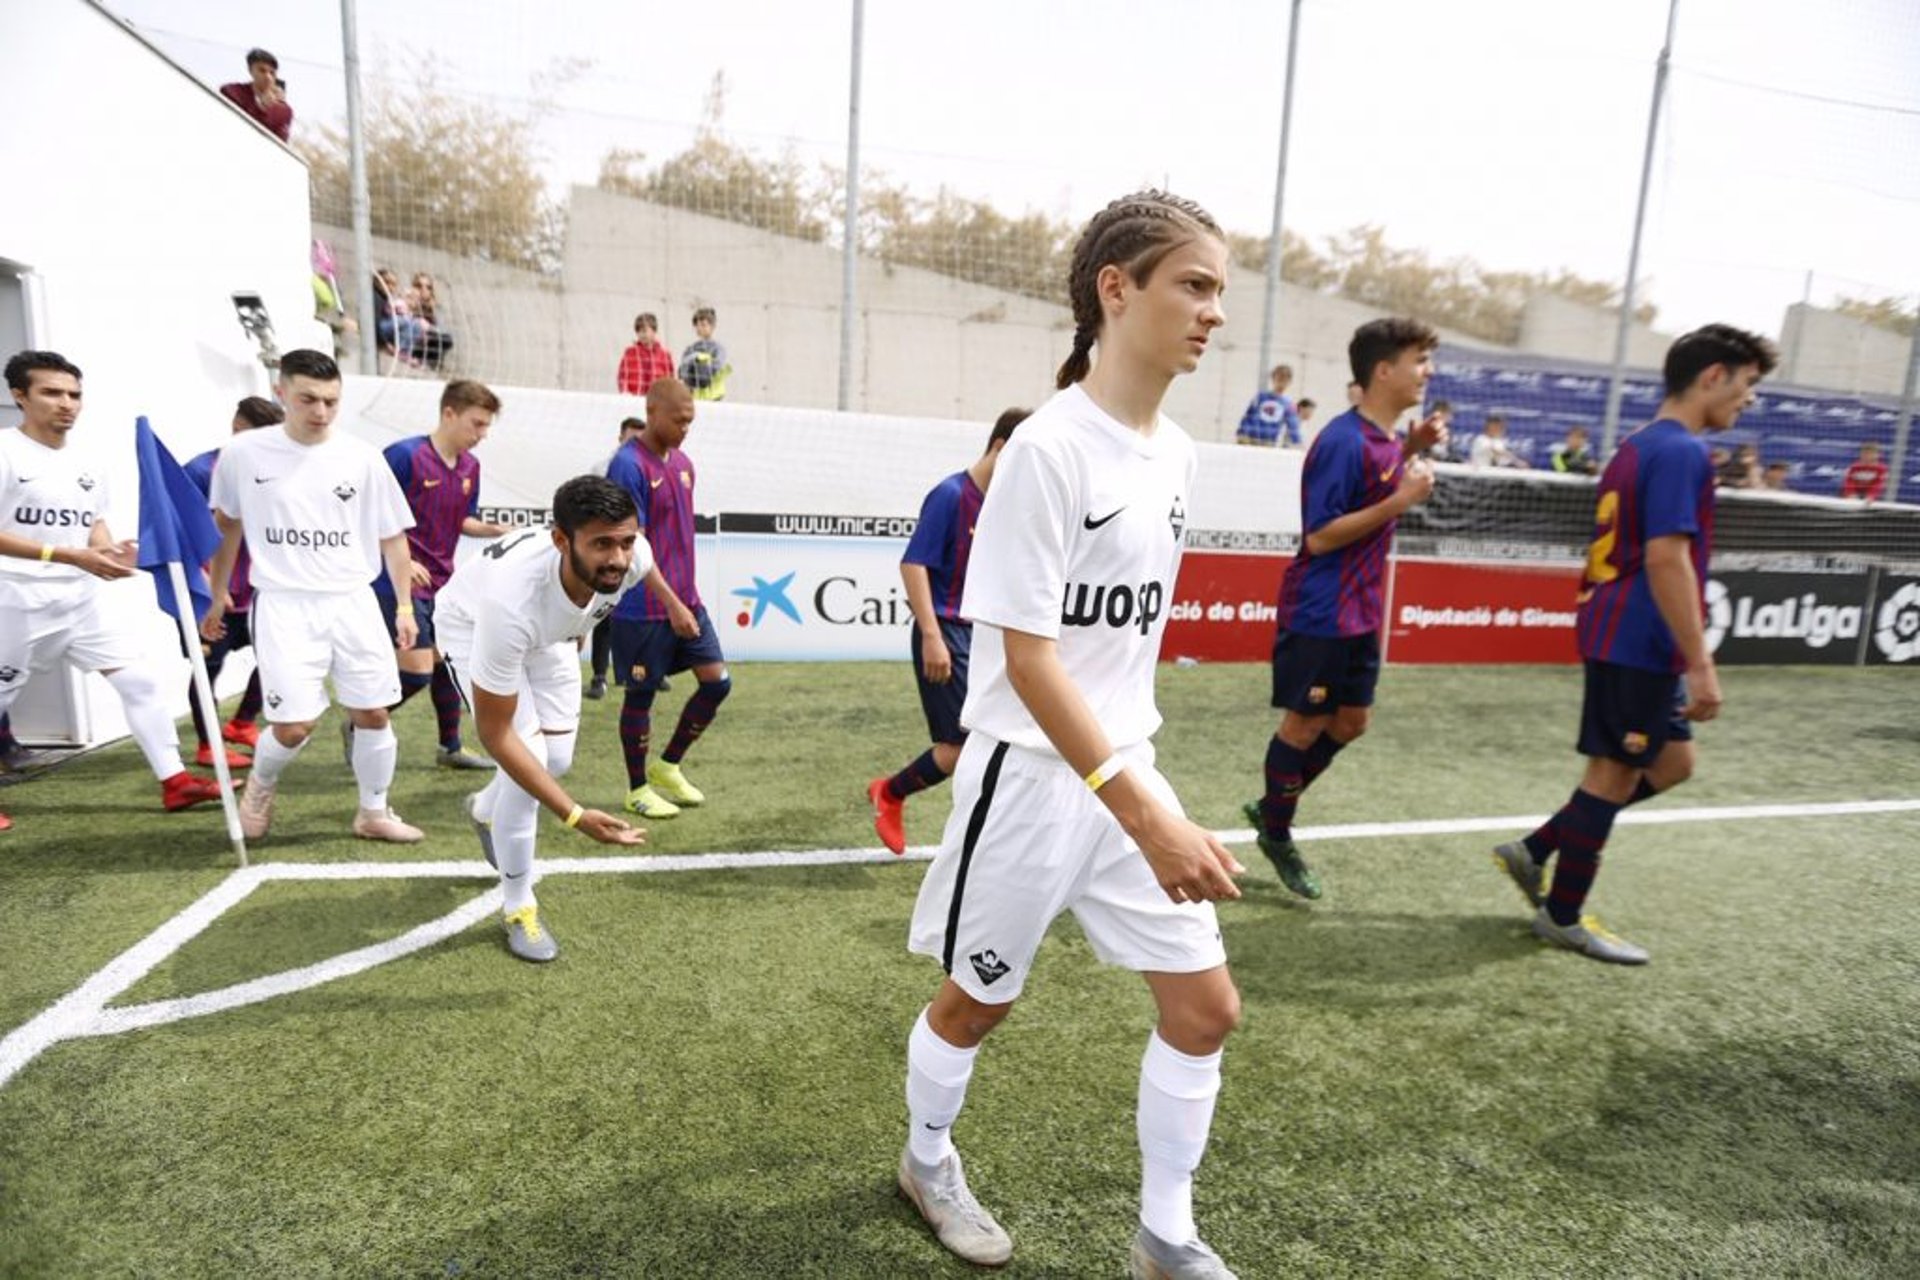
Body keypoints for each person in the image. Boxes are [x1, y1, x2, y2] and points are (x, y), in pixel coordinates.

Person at [897, 191, 1246, 1280]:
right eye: (1195, 285)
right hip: (1031, 779)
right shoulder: (1048, 449)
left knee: (1206, 1010)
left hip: (1126, 768)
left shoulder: (1177, 453)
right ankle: (925, 1160)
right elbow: (1029, 660)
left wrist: (1141, 797)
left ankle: (1164, 1235)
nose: (1214, 312)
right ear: (1116, 289)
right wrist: (1147, 816)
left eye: (1219, 291)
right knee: (977, 1003)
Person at [1492, 324, 1777, 963]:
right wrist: (1701, 663)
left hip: (1627, 633)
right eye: (1748, 383)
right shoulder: (1681, 451)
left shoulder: (1640, 445)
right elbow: (1666, 559)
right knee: (1614, 773)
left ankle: (1537, 849)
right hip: (1637, 638)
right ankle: (1562, 915)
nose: (1750, 398)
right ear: (1713, 376)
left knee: (1673, 764)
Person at [1242, 319, 1448, 901]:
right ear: (1383, 371)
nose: (1428, 372)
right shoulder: (1342, 440)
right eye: (1418, 360)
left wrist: (1412, 448)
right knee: (1304, 725)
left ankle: (1272, 805)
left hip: (1360, 610)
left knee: (1352, 722)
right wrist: (1402, 500)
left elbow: (1376, 479)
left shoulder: (1384, 438)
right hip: (1321, 609)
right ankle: (1277, 831)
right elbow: (1321, 536)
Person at [436, 477, 678, 961]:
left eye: (626, 542)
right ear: (562, 541)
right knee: (526, 767)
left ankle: (485, 809)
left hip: (551, 638)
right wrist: (573, 815)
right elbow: (495, 733)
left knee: (555, 761)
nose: (617, 558)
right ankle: (518, 906)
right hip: (474, 628)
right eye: (601, 544)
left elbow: (643, 566)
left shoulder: (631, 556)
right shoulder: (509, 602)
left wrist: (671, 606)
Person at [202, 349, 423, 843]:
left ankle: (373, 812)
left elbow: (393, 537)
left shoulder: (362, 457)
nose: (320, 411)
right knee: (294, 725)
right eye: (308, 399)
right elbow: (227, 527)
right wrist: (216, 595)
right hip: (284, 604)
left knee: (373, 712)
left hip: (352, 601)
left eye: (331, 401)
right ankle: (260, 786)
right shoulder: (243, 454)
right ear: (281, 393)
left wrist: (405, 607)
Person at [0, 351, 222, 833]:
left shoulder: (87, 460)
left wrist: (109, 550)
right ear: (20, 396)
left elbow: (92, 523)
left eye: (74, 394)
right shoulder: (6, 452)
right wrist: (65, 555)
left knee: (139, 682)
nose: (67, 404)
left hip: (80, 602)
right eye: (51, 393)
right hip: (14, 599)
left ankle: (176, 781)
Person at [866, 407, 1028, 855]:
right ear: (1000, 447)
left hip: (979, 636)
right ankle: (891, 793)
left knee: (994, 738)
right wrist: (932, 635)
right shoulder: (951, 494)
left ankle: (987, 831)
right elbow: (913, 563)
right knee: (965, 744)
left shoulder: (1000, 505)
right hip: (945, 633)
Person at [363, 380, 511, 772]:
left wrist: (495, 531)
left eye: (486, 425)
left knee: (448, 664)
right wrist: (401, 561)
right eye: (477, 423)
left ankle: (450, 746)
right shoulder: (404, 456)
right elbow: (367, 513)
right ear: (449, 413)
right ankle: (364, 719)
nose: (482, 434)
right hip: (398, 582)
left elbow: (462, 519)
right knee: (417, 673)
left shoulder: (470, 467)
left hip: (444, 584)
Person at [605, 379, 725, 819]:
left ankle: (668, 765)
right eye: (678, 420)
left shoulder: (685, 464)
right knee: (641, 696)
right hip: (643, 607)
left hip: (686, 599)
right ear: (652, 412)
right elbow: (630, 544)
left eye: (690, 421)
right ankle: (637, 788)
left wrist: (684, 599)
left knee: (717, 682)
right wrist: (671, 603)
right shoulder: (627, 465)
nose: (685, 429)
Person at [182, 395, 284, 770]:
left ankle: (241, 723)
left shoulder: (272, 471)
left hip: (259, 589)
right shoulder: (199, 471)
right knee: (208, 666)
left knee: (277, 658)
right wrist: (209, 585)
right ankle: (208, 745)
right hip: (211, 592)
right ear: (238, 430)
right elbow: (180, 533)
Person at [587, 417, 647, 700]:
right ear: (620, 437)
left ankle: (639, 672)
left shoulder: (647, 469)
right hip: (608, 550)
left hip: (636, 549)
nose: (635, 443)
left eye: (640, 438)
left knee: (639, 615)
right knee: (604, 613)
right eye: (631, 437)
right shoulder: (601, 469)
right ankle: (599, 676)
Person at [218, 48, 293, 142]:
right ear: (250, 70)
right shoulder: (232, 92)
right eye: (262, 70)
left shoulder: (284, 111)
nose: (268, 77)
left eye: (272, 73)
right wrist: (260, 107)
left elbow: (279, 142)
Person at [1234, 364, 1301, 447]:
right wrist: (1242, 433)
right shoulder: (1260, 397)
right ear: (1273, 378)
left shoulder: (1289, 404)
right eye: (1279, 378)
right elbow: (1248, 417)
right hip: (1249, 439)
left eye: (1285, 379)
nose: (1281, 382)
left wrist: (1298, 443)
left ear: (1289, 382)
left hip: (1268, 442)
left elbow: (1293, 427)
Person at [678, 307, 732, 402]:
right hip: (694, 398)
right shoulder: (690, 349)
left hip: (714, 398)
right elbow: (682, 371)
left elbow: (717, 369)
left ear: (712, 326)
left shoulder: (718, 349)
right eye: (697, 325)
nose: (699, 328)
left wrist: (699, 362)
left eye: (703, 325)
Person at [616, 313, 676, 397]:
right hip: (634, 399)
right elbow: (622, 377)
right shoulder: (630, 353)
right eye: (638, 331)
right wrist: (625, 394)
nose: (641, 334)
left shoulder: (665, 355)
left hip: (657, 400)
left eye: (644, 331)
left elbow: (670, 380)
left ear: (654, 331)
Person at [407, 274, 455, 370]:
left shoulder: (436, 308)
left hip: (428, 341)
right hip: (411, 341)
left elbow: (441, 329)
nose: (423, 290)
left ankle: (430, 363)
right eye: (419, 286)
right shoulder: (404, 302)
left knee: (446, 339)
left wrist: (428, 330)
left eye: (428, 287)